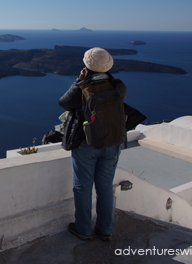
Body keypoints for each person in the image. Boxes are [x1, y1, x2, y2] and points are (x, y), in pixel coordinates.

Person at [59, 47, 127, 241]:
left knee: (83, 186)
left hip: (86, 144)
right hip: (112, 142)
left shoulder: (82, 88)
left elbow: (64, 103)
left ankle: (83, 229)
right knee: (105, 187)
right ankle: (105, 229)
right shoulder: (119, 86)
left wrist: (79, 81)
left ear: (86, 66)